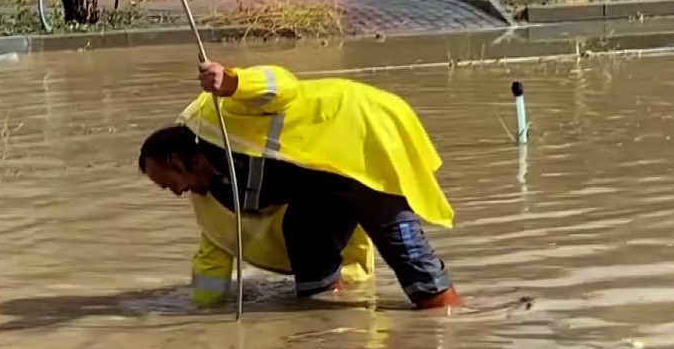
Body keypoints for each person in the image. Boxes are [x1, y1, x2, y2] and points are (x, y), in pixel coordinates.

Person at [138, 60, 461, 311]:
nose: (178, 192)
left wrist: (232, 81)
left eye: (170, 184)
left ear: (184, 161)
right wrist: (200, 311)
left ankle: (448, 328)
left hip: (362, 142)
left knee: (417, 273)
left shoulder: (219, 112)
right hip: (319, 188)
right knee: (307, 253)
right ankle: (334, 324)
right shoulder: (212, 195)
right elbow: (214, 253)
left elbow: (281, 85)